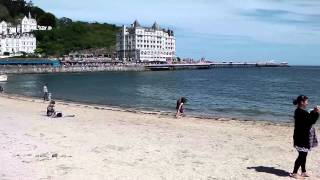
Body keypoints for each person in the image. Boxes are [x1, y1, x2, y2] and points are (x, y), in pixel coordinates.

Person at [290, 95, 320, 179]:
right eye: (306, 101)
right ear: (302, 102)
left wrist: (314, 112)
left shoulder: (300, 111)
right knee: (302, 155)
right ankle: (294, 173)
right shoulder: (301, 112)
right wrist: (317, 113)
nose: (307, 103)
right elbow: (311, 121)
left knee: (304, 154)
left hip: (301, 136)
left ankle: (303, 171)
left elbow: (308, 118)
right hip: (301, 137)